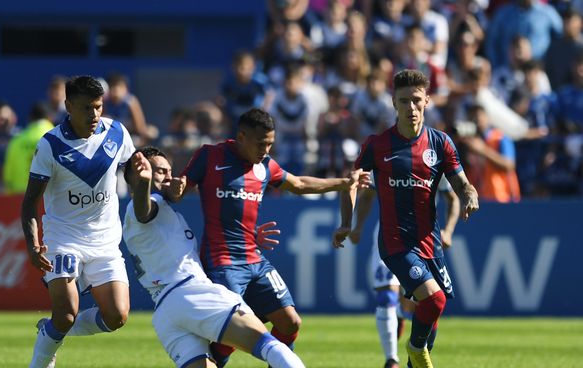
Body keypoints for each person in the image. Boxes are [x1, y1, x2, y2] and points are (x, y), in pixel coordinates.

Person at [174, 107, 369, 367]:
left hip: (255, 259)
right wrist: (170, 187)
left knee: (290, 322)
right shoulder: (210, 156)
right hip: (223, 263)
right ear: (241, 136)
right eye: (261, 144)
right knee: (231, 331)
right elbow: (179, 191)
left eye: (270, 144)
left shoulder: (265, 166)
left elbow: (298, 185)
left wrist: (344, 183)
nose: (266, 150)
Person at [333, 70, 479, 368]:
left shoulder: (441, 144)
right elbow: (352, 184)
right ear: (393, 103)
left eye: (416, 100)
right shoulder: (377, 145)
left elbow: (461, 183)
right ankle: (407, 351)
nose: (410, 108)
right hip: (395, 242)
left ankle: (415, 355)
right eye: (403, 101)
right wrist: (347, 222)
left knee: (431, 314)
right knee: (433, 301)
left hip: (430, 242)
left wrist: (470, 194)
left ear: (427, 100)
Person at [122, 146, 305, 368]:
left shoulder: (163, 214)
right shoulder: (142, 206)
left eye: (170, 171)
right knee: (268, 345)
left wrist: (247, 237)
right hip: (191, 294)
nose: (170, 177)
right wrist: (144, 184)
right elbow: (143, 210)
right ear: (136, 174)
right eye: (161, 171)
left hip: (166, 312)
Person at [22, 75, 135, 368]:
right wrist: (34, 244)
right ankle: (42, 358)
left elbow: (136, 171)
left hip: (105, 241)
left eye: (98, 107)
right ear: (68, 106)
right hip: (63, 239)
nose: (94, 114)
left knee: (117, 316)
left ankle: (52, 330)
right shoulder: (50, 145)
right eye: (86, 108)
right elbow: (30, 202)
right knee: (68, 312)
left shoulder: (118, 134)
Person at [347, 175, 460, 368]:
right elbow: (368, 195)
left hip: (424, 240)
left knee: (428, 303)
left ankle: (401, 318)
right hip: (389, 235)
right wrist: (356, 226)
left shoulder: (433, 154)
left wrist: (448, 231)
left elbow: (452, 198)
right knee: (386, 296)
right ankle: (392, 360)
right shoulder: (386, 152)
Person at [3, 103, 54, 194]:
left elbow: (8, 176)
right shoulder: (57, 138)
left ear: (30, 118)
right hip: (49, 197)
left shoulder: (17, 140)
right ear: (50, 117)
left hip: (19, 196)